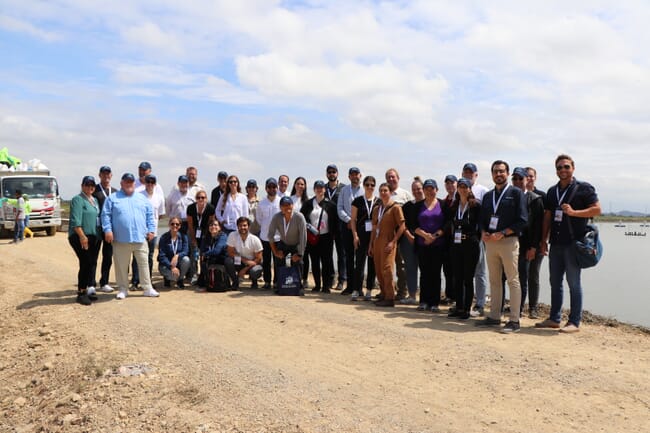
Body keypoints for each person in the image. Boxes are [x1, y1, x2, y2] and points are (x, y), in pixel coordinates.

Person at [536, 154, 601, 333]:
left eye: (566, 167)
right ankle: (555, 318)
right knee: (554, 282)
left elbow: (597, 209)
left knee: (573, 282)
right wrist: (543, 240)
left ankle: (574, 322)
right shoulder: (552, 191)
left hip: (574, 244)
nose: (562, 170)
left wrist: (574, 212)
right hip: (555, 244)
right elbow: (548, 216)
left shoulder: (584, 188)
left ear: (573, 168)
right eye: (559, 167)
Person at [477, 160, 527, 333]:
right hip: (490, 243)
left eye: (502, 171)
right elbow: (482, 219)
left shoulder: (516, 193)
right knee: (494, 280)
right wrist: (483, 231)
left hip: (508, 242)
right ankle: (494, 316)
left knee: (513, 280)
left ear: (508, 174)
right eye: (495, 171)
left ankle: (514, 320)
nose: (498, 174)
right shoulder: (488, 196)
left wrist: (503, 232)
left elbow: (522, 220)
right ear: (492, 174)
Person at [101, 173, 159, 300]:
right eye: (126, 182)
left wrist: (151, 230)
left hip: (140, 238)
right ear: (121, 183)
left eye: (131, 182)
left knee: (144, 264)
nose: (129, 184)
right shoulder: (112, 198)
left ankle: (147, 288)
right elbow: (105, 216)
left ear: (134, 183)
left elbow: (150, 215)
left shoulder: (142, 198)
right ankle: (123, 289)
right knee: (121, 266)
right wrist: (108, 230)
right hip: (121, 239)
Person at [511, 167, 544, 318]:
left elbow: (538, 226)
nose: (518, 181)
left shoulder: (536, 198)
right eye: (515, 179)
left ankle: (531, 308)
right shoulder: (509, 197)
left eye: (521, 179)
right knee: (515, 276)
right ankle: (516, 306)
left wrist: (534, 246)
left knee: (530, 276)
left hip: (528, 244)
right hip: (511, 243)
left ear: (527, 180)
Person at [447, 178, 481, 319]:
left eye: (465, 186)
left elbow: (480, 225)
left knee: (468, 278)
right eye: (460, 186)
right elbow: (450, 224)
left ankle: (467, 309)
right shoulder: (454, 206)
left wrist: (475, 239)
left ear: (469, 189)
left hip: (470, 245)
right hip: (456, 245)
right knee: (457, 277)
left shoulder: (475, 205)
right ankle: (459, 307)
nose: (462, 189)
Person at [413, 179, 449, 312]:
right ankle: (423, 301)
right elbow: (412, 225)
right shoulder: (418, 205)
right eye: (426, 188)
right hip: (422, 244)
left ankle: (434, 303)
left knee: (435, 274)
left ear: (436, 190)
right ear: (423, 190)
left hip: (438, 245)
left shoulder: (443, 204)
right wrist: (425, 235)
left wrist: (434, 236)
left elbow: (447, 224)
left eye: (432, 188)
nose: (429, 191)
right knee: (424, 273)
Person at [368, 183, 406, 307]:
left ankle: (390, 297)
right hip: (377, 241)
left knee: (387, 269)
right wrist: (371, 245)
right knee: (378, 269)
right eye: (381, 190)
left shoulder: (395, 207)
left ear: (390, 192)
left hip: (389, 240)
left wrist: (393, 241)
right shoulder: (376, 209)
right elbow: (373, 228)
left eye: (385, 190)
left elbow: (402, 226)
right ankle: (383, 294)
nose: (383, 193)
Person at [68, 176, 101, 305]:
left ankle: (86, 290)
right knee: (86, 263)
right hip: (80, 236)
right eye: (87, 184)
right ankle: (81, 292)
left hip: (93, 237)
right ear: (82, 186)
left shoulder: (95, 200)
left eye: (92, 185)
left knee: (91, 263)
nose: (90, 187)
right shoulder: (78, 199)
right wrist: (82, 236)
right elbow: (76, 221)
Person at [462, 162, 489, 316]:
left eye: (470, 173)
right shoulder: (461, 190)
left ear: (476, 175)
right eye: (465, 172)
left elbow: (485, 214)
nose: (468, 175)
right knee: (466, 272)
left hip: (478, 238)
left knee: (480, 271)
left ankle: (479, 304)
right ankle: (465, 302)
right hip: (463, 239)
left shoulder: (483, 191)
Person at [301, 180, 337, 293]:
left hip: (326, 237)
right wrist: (310, 228)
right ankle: (317, 285)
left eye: (321, 188)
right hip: (313, 237)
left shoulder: (330, 204)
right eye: (317, 187)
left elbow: (335, 221)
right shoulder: (308, 203)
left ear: (324, 189)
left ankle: (326, 286)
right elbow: (303, 218)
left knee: (326, 262)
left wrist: (333, 234)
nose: (319, 189)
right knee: (315, 261)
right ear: (314, 189)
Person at [385, 168, 413, 301]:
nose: (391, 179)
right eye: (388, 177)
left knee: (401, 264)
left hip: (402, 235)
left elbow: (411, 214)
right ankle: (388, 290)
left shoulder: (405, 194)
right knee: (388, 264)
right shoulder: (384, 195)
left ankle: (403, 291)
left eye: (393, 177)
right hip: (388, 235)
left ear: (398, 177)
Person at [350, 175, 379, 301]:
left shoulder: (378, 201)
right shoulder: (357, 201)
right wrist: (355, 235)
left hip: (374, 237)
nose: (370, 187)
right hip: (361, 236)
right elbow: (353, 220)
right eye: (367, 184)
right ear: (363, 185)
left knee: (372, 264)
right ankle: (356, 289)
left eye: (372, 185)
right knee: (359, 264)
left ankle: (369, 290)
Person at [268, 196, 307, 288]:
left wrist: (300, 254)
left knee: (299, 262)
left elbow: (303, 237)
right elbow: (270, 235)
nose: (287, 207)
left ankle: (298, 284)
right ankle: (278, 283)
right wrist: (275, 252)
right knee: (278, 260)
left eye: (289, 205)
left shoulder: (299, 217)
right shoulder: (276, 217)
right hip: (284, 243)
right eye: (284, 205)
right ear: (280, 207)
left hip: (296, 244)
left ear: (292, 205)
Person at [337, 167, 364, 295]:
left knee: (360, 258)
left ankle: (358, 287)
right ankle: (349, 286)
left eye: (356, 174)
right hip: (347, 227)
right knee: (348, 257)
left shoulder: (364, 190)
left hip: (361, 228)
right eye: (352, 175)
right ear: (349, 177)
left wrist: (357, 223)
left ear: (360, 175)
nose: (354, 177)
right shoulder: (343, 190)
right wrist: (348, 220)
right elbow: (340, 208)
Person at [92, 166, 117, 293]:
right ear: (99, 175)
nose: (106, 176)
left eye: (108, 174)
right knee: (93, 256)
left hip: (110, 230)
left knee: (108, 256)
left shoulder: (115, 192)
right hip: (97, 228)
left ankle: (104, 282)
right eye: (103, 174)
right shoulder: (94, 190)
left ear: (111, 175)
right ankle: (91, 283)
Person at [136, 174, 165, 287]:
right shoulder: (139, 196)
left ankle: (148, 280)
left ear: (155, 184)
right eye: (148, 182)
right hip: (141, 232)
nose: (150, 184)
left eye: (152, 182)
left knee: (149, 256)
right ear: (145, 183)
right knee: (137, 256)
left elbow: (161, 215)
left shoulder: (159, 197)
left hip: (154, 232)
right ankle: (135, 281)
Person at [399, 177, 424, 305]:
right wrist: (408, 235)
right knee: (410, 268)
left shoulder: (429, 204)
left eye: (419, 189)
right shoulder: (407, 206)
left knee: (425, 269)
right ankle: (412, 295)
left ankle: (425, 298)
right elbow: (402, 224)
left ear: (423, 189)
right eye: (414, 189)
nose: (416, 191)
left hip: (424, 241)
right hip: (408, 241)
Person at [525, 166, 546, 318]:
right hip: (521, 242)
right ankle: (517, 305)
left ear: (535, 177)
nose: (529, 178)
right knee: (519, 275)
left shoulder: (542, 196)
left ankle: (533, 307)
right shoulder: (517, 194)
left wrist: (543, 242)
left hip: (537, 242)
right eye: (526, 176)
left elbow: (546, 221)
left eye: (531, 176)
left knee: (533, 275)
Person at [255, 178, 281, 289]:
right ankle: (267, 282)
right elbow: (259, 219)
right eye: (269, 187)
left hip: (278, 237)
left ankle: (276, 282)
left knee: (277, 261)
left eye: (274, 187)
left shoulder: (281, 201)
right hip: (265, 236)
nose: (272, 189)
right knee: (266, 261)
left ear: (277, 188)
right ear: (266, 189)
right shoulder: (261, 203)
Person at [225, 217, 263, 289]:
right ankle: (235, 282)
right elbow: (230, 252)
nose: (242, 227)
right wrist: (245, 260)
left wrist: (245, 269)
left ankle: (254, 282)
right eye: (240, 225)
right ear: (237, 226)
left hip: (253, 263)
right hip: (239, 261)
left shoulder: (255, 239)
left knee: (256, 270)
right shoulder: (232, 235)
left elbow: (258, 258)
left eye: (245, 225)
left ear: (248, 226)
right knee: (228, 261)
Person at [187, 189, 215, 286]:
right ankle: (194, 274)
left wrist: (205, 236)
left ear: (206, 199)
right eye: (198, 197)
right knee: (193, 253)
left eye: (203, 197)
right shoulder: (190, 208)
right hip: (193, 230)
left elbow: (210, 223)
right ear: (196, 199)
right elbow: (190, 225)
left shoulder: (211, 208)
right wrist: (194, 239)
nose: (200, 199)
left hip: (205, 230)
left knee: (204, 252)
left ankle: (204, 274)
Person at [325, 164, 347, 290]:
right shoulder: (323, 188)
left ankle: (342, 279)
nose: (331, 174)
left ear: (337, 173)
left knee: (341, 254)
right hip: (327, 226)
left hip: (340, 226)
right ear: (326, 174)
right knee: (328, 255)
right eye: (329, 172)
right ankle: (331, 277)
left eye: (334, 172)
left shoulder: (343, 188)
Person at [157, 217, 191, 288]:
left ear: (180, 226)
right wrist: (171, 266)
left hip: (178, 263)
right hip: (166, 265)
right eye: (172, 224)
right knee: (173, 277)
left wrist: (177, 255)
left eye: (177, 224)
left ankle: (180, 280)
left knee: (186, 259)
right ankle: (167, 278)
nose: (174, 226)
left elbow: (186, 251)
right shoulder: (164, 237)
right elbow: (162, 256)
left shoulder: (183, 237)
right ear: (169, 225)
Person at [441, 174, 457, 304]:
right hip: (445, 239)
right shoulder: (444, 201)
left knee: (456, 269)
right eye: (447, 183)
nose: (450, 185)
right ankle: (449, 295)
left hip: (457, 239)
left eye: (452, 183)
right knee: (447, 268)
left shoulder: (460, 200)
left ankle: (456, 297)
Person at [291, 176, 310, 285]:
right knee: (293, 255)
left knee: (304, 256)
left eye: (302, 184)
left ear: (305, 186)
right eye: (298, 184)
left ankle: (305, 278)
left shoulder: (308, 200)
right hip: (292, 232)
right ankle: (294, 277)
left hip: (304, 232)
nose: (300, 186)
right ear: (294, 185)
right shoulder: (291, 199)